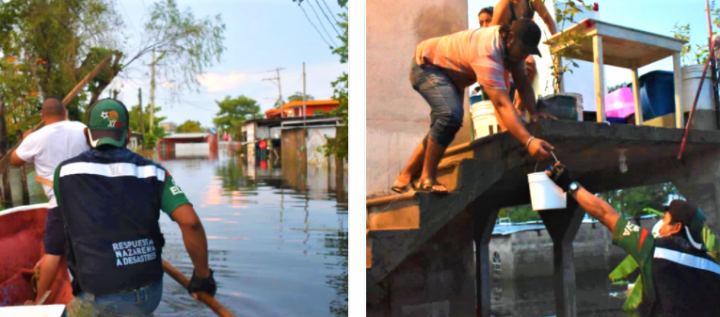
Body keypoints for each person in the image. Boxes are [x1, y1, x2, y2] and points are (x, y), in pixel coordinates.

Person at [51, 99, 216, 316]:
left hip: (101, 296)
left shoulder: (64, 173)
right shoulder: (155, 172)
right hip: (151, 291)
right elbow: (190, 222)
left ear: (86, 134)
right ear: (128, 135)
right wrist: (202, 276)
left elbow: (74, 223)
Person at [391, 18, 556, 194]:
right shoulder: (488, 52)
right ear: (511, 37)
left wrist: (534, 113)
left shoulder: (512, 51)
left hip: (450, 74)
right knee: (450, 116)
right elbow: (501, 104)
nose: (524, 56)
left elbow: (523, 83)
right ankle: (426, 178)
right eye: (523, 50)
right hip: (428, 65)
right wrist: (528, 141)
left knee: (445, 123)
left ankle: (405, 176)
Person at [546, 163, 720, 316]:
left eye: (665, 219)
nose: (660, 222)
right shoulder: (715, 268)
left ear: (676, 227)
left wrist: (570, 184)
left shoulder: (654, 249)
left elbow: (605, 214)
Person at [9, 97, 90, 304]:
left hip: (61, 203)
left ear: (43, 115)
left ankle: (39, 300)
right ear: (65, 113)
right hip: (90, 201)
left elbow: (15, 160)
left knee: (53, 252)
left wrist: (25, 139)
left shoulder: (36, 137)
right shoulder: (82, 128)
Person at [490, 0, 556, 117]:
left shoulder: (533, 2)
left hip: (519, 47)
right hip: (502, 47)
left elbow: (549, 20)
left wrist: (556, 43)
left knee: (529, 66)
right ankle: (505, 121)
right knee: (503, 84)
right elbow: (491, 36)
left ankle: (519, 107)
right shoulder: (504, 7)